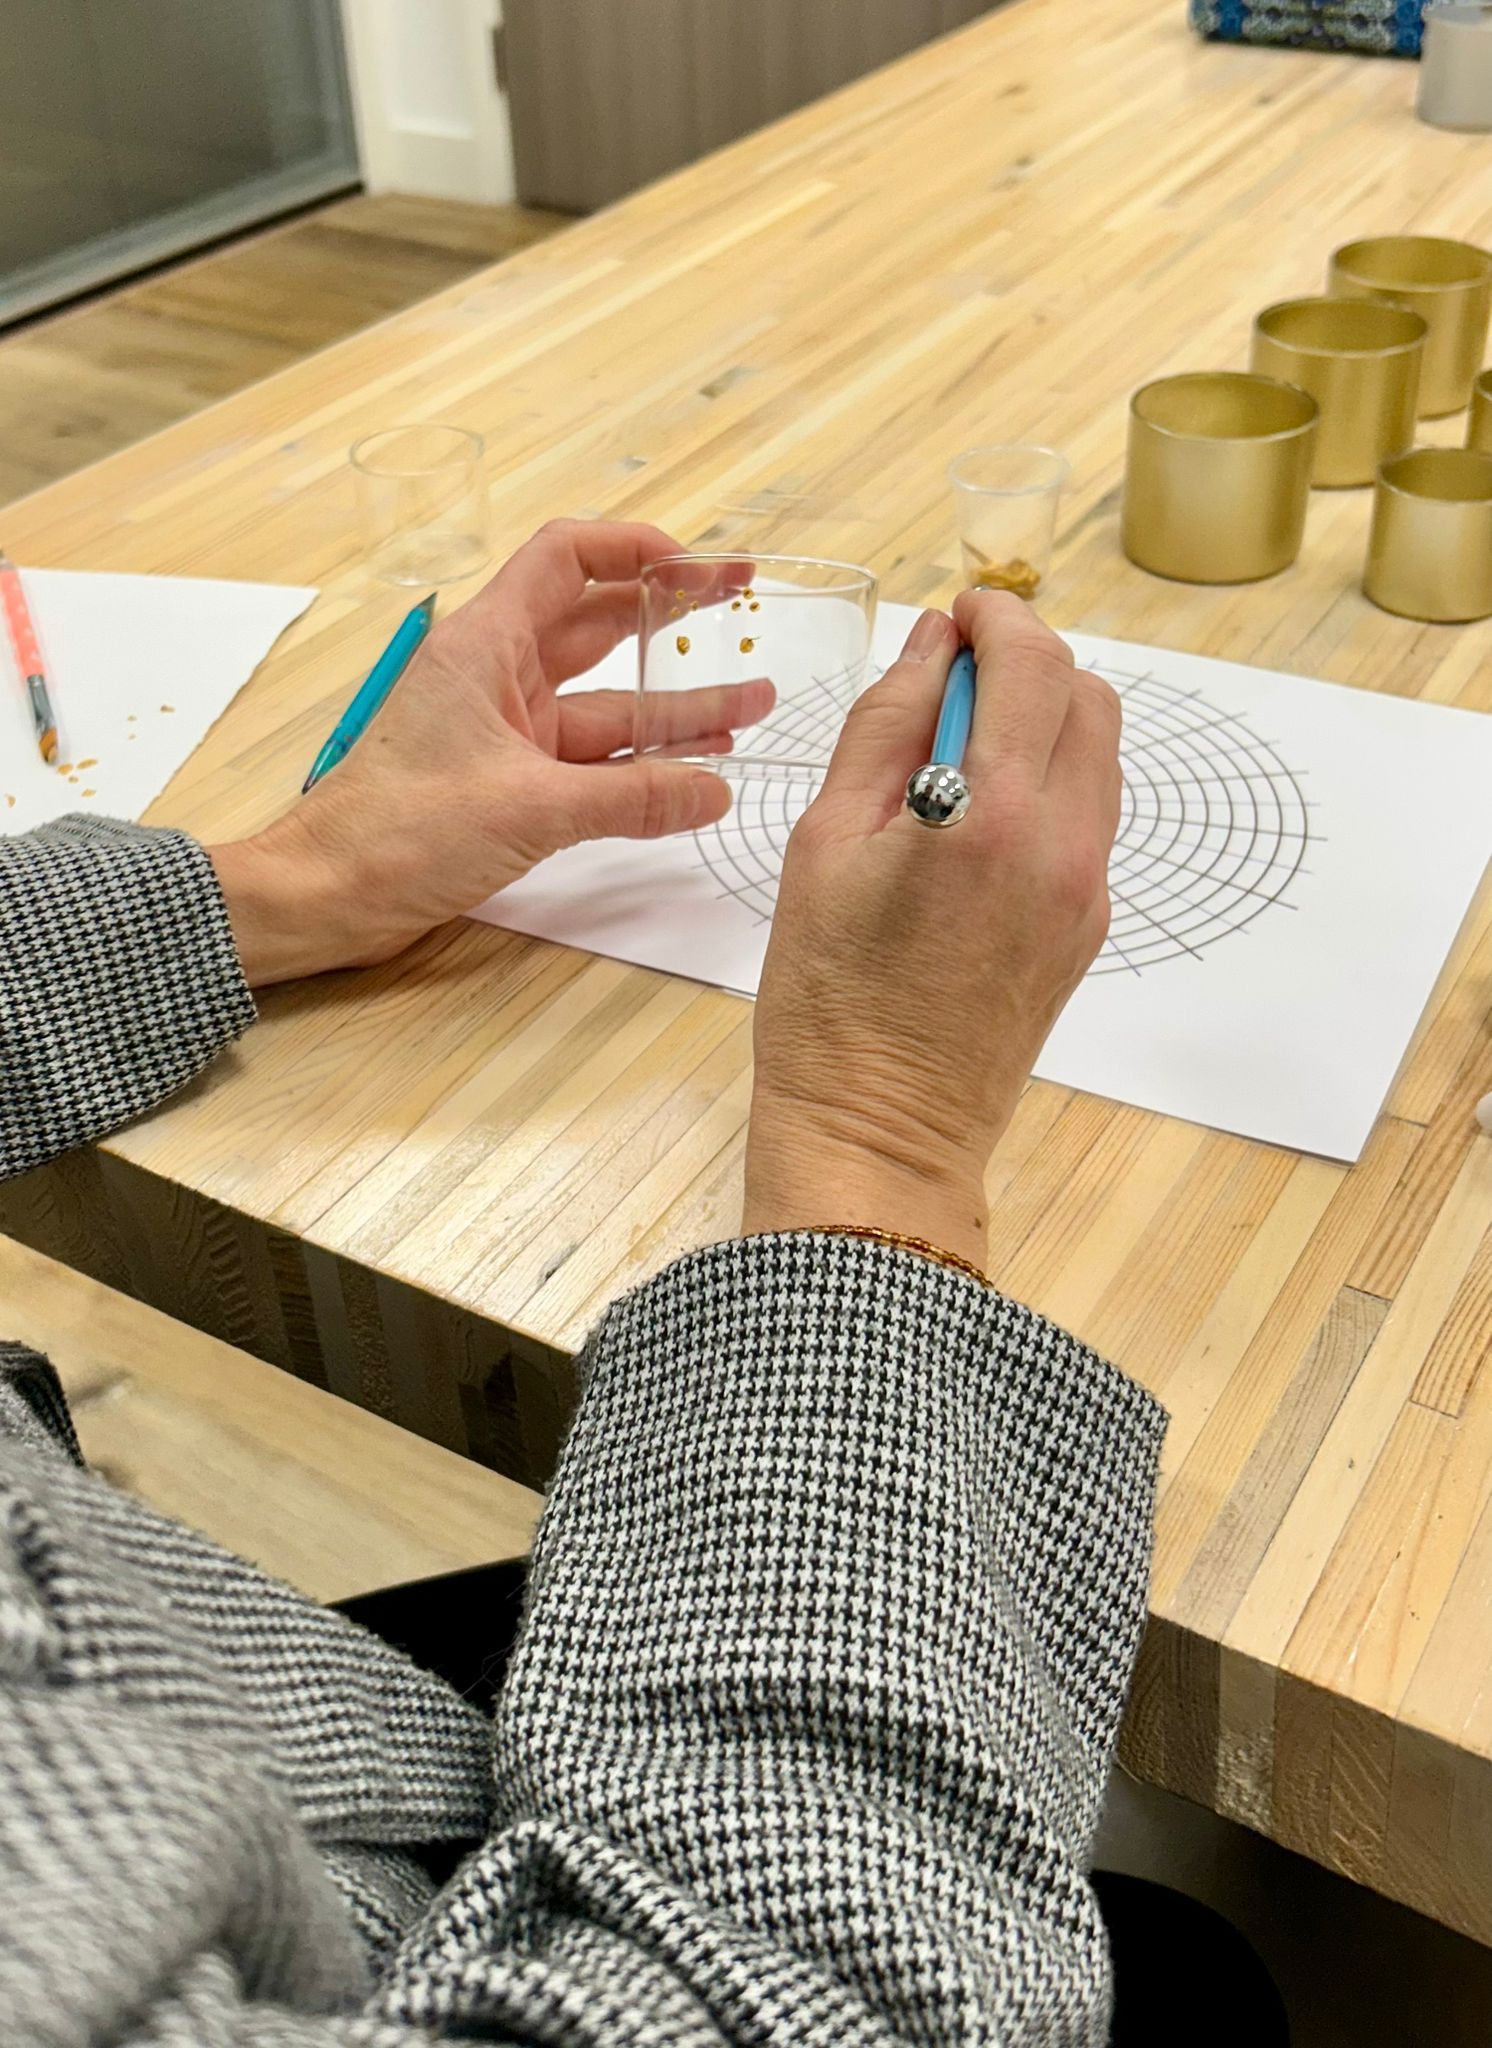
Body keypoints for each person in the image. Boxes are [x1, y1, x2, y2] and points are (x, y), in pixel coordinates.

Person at [0, 520, 1279, 2045]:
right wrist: (882, 1143)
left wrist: (285, 883)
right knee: (1193, 1983)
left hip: (228, 1712)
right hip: (334, 1906)